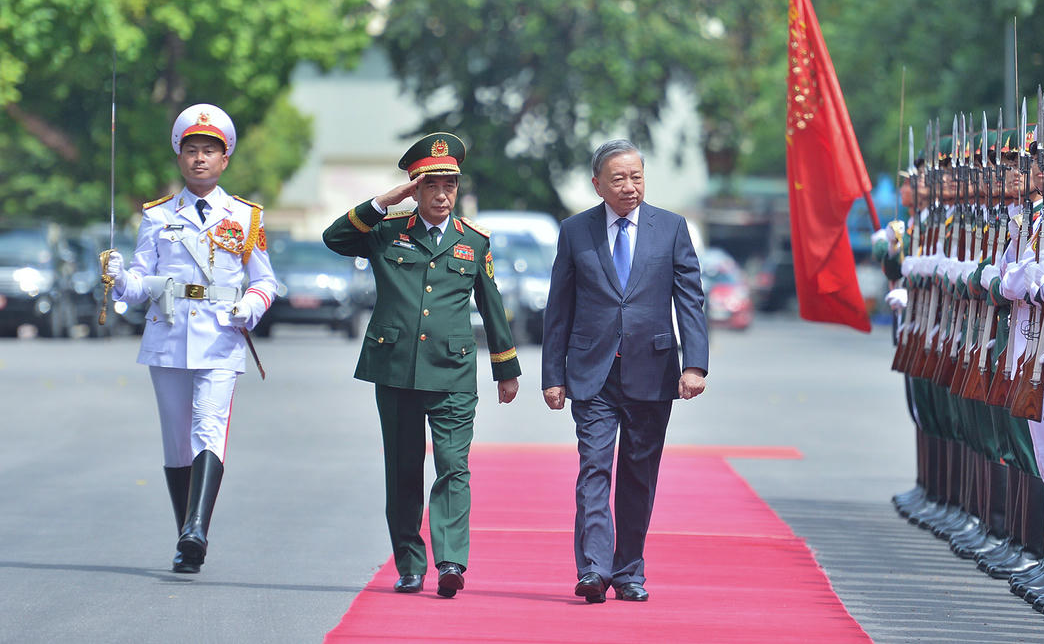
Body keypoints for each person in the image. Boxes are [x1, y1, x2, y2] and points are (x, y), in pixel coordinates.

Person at [323, 132, 520, 598]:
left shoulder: (473, 242)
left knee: (453, 466)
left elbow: (492, 306)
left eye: (449, 186)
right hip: (395, 371)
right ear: (415, 189)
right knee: (404, 469)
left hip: (451, 373)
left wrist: (505, 368)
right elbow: (335, 237)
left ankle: (450, 561)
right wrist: (383, 201)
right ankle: (410, 564)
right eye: (431, 186)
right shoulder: (388, 232)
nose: (442, 195)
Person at [104, 103, 277, 574]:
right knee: (176, 443)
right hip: (168, 335)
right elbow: (142, 282)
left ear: (225, 160)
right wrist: (120, 279)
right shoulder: (158, 216)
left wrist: (250, 306)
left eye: (210, 151)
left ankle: (196, 528)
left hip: (221, 337)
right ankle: (186, 536)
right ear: (179, 157)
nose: (200, 158)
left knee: (208, 428)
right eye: (191, 150)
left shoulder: (245, 217)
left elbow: (265, 281)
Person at [541, 138, 709, 604]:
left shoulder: (671, 228)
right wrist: (552, 374)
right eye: (618, 178)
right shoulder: (575, 232)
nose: (629, 186)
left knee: (638, 473)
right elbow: (559, 308)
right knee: (593, 466)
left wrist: (694, 364)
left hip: (652, 372)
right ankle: (594, 569)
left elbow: (689, 300)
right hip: (592, 373)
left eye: (636, 176)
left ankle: (629, 570)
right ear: (597, 184)